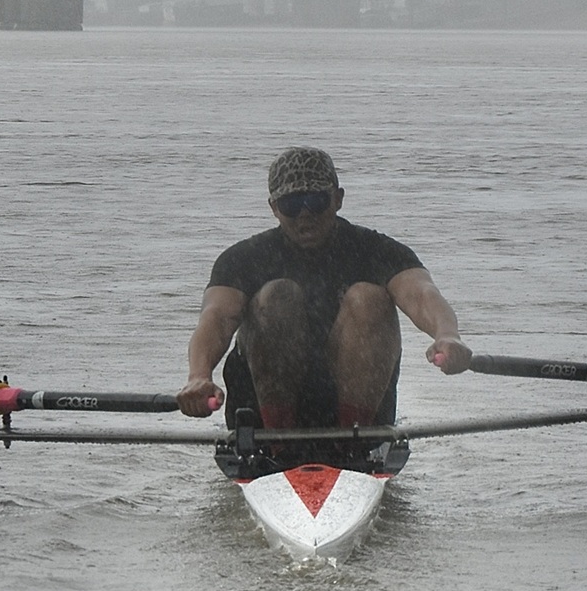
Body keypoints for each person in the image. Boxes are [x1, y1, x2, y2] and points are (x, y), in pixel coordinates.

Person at [178, 147, 472, 430]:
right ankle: (279, 438)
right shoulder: (243, 259)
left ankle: (353, 436)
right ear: (274, 208)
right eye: (292, 204)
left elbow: (422, 295)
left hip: (359, 412)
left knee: (367, 298)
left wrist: (447, 336)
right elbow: (216, 318)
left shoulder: (377, 250)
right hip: (261, 410)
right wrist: (198, 376)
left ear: (338, 199)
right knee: (278, 295)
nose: (305, 214)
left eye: (316, 201)